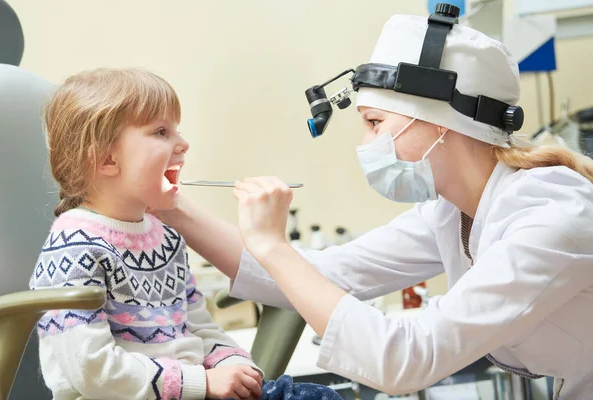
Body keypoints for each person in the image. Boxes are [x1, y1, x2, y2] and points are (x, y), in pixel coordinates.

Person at [153, 11, 593, 400]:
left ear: (442, 121)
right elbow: (323, 276)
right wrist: (171, 207)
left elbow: (406, 360)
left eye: (374, 123)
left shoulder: (552, 215)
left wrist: (273, 245)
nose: (367, 144)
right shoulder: (451, 211)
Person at [29, 68, 343, 400]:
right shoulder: (74, 249)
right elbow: (92, 372)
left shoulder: (165, 239)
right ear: (107, 158)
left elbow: (199, 327)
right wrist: (203, 382)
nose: (183, 144)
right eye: (161, 132)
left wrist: (233, 364)